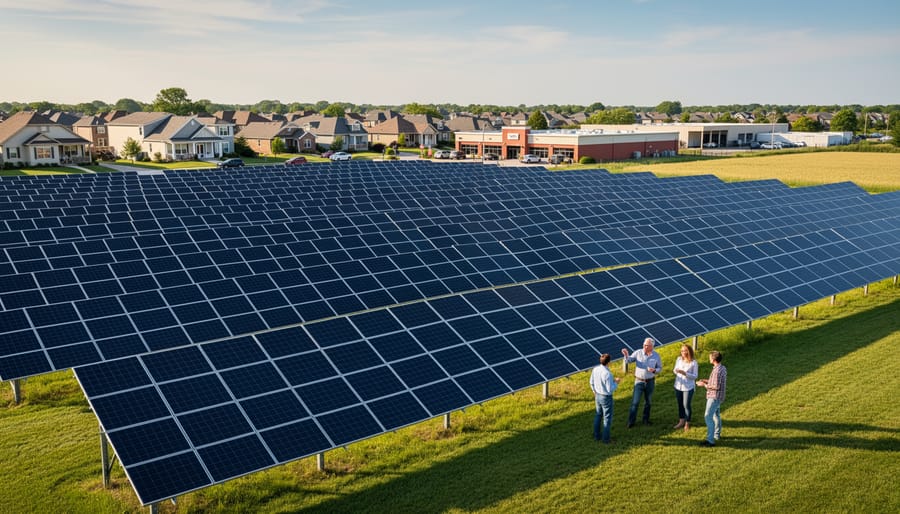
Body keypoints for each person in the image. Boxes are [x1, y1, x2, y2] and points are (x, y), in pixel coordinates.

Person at [621, 337, 663, 427]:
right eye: (644, 344)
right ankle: (631, 422)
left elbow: (660, 368)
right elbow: (629, 360)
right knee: (635, 402)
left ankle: (645, 420)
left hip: (650, 381)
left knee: (648, 402)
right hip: (639, 381)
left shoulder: (656, 356)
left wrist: (654, 370)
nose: (645, 346)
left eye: (647, 345)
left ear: (652, 346)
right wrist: (626, 355)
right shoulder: (638, 353)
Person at [697, 351, 727, 447]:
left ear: (713, 359)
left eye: (710, 357)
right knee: (716, 415)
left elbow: (716, 386)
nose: (709, 359)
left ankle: (710, 440)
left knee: (708, 416)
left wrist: (704, 384)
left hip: (714, 397)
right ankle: (716, 435)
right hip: (719, 397)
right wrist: (707, 380)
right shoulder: (722, 368)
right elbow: (716, 382)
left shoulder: (717, 371)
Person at [589, 353, 621, 443]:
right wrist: (616, 383)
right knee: (607, 418)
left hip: (597, 395)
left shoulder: (595, 369)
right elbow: (610, 389)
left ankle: (596, 435)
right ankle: (606, 439)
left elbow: (591, 382)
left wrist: (594, 391)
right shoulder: (607, 373)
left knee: (598, 415)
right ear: (609, 362)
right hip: (606, 397)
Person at [672, 344, 698, 431]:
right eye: (682, 351)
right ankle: (681, 421)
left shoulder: (693, 362)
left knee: (686, 405)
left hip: (688, 387)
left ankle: (687, 422)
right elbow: (674, 370)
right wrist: (676, 371)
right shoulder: (679, 359)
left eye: (685, 350)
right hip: (678, 386)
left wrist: (685, 373)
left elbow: (695, 376)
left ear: (689, 351)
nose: (683, 352)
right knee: (680, 404)